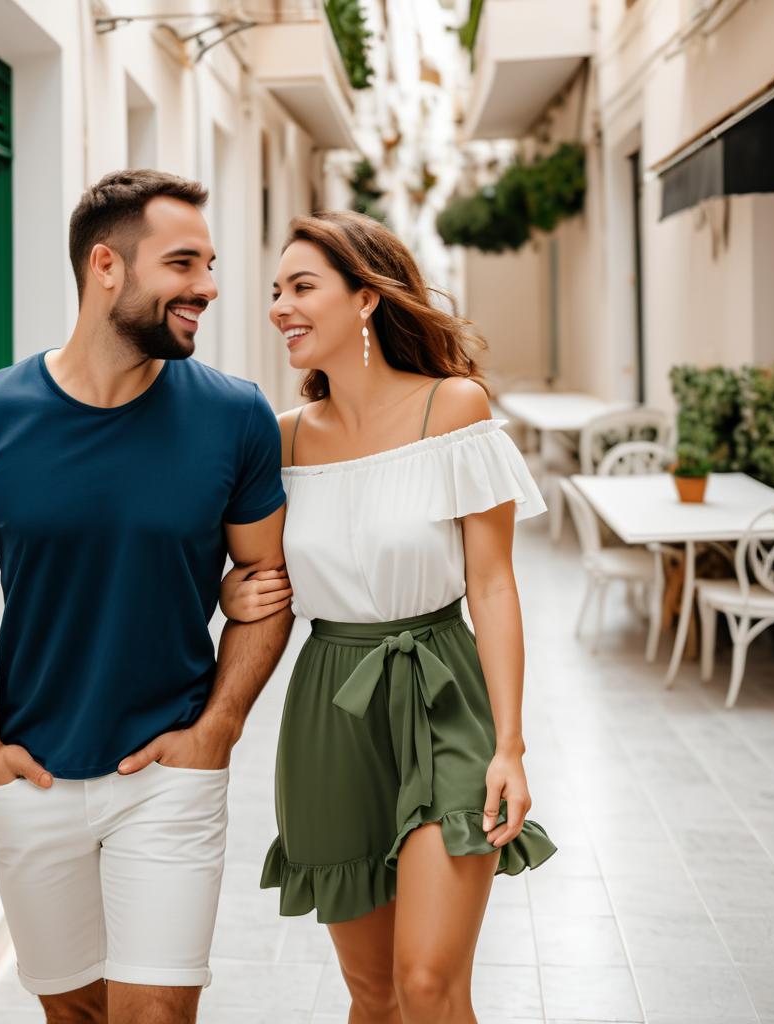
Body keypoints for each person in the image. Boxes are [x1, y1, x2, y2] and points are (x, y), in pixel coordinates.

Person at [0, 169, 294, 1024]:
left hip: (170, 773)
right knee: (75, 1012)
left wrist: (218, 729)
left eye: (208, 264)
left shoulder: (236, 417)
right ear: (107, 266)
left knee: (155, 1013)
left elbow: (266, 588)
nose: (207, 285)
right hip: (32, 771)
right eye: (184, 263)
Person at [221, 211, 558, 1024]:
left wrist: (509, 743)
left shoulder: (454, 409)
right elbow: (252, 570)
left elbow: (495, 587)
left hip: (443, 695)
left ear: (367, 299)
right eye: (276, 291)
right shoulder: (284, 441)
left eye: (303, 287)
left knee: (429, 986)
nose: (280, 307)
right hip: (330, 711)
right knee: (373, 996)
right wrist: (235, 593)